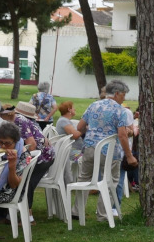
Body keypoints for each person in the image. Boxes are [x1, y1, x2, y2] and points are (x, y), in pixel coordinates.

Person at [73, 80, 137, 221]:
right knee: (109, 182)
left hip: (89, 147)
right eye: (123, 95)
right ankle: (103, 214)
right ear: (116, 94)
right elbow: (122, 135)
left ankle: (77, 211)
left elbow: (80, 127)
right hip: (109, 151)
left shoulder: (94, 105)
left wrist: (92, 132)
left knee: (83, 178)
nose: (124, 98)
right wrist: (129, 156)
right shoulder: (121, 110)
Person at [12, 101, 54, 222]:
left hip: (40, 158)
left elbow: (32, 145)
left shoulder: (19, 119)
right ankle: (20, 214)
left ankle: (27, 216)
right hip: (47, 156)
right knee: (23, 179)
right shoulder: (31, 121)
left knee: (23, 180)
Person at [0, 121, 30, 205]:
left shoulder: (24, 156)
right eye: (1, 142)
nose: (3, 146)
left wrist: (12, 166)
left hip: (9, 193)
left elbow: (13, 185)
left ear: (15, 141)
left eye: (7, 143)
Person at [55, 101, 84, 184]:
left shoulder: (65, 120)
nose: (75, 109)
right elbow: (75, 135)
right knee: (90, 157)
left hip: (72, 149)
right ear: (69, 109)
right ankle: (85, 182)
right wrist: (84, 129)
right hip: (70, 151)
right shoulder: (63, 121)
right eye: (73, 107)